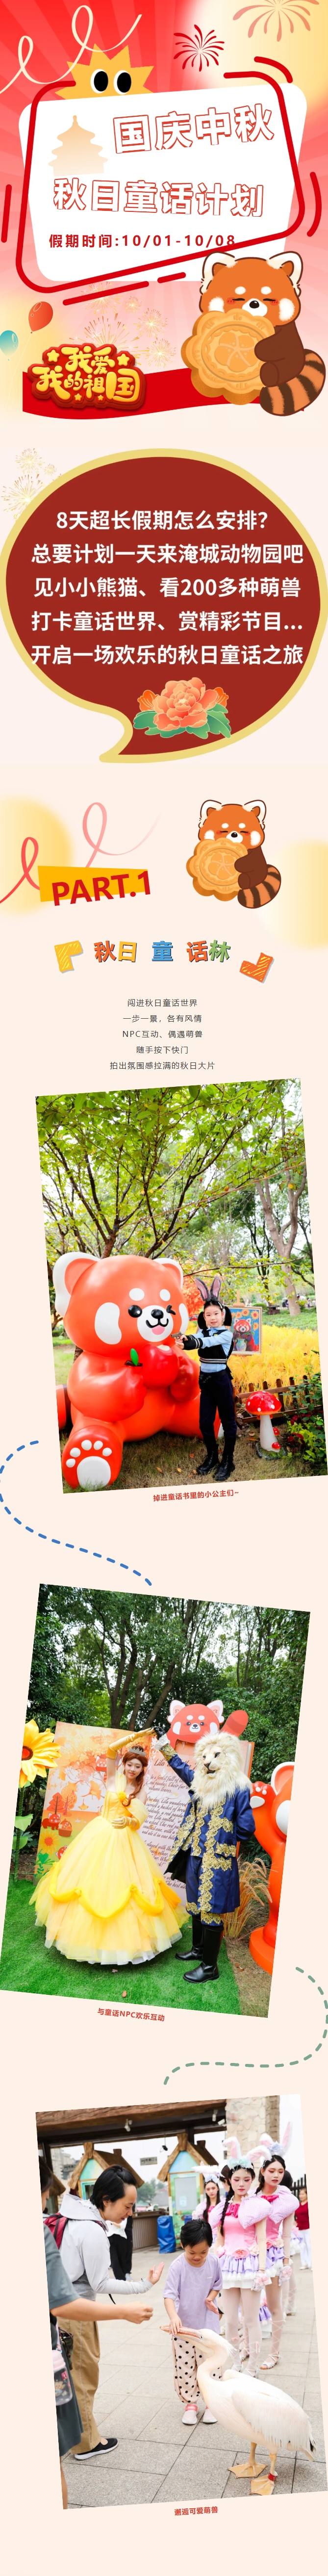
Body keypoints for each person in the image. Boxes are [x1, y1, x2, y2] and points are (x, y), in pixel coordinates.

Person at [40, 2161, 152, 2495]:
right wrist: (142, 2288)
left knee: (77, 2376)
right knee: (84, 2378)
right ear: (106, 2200)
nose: (130, 2213)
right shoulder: (91, 2230)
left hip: (66, 2312)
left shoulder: (72, 2218)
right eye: (127, 2206)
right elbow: (101, 2283)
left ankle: (82, 2436)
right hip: (76, 2312)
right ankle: (86, 2443)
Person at [31, 1740, 186, 1966]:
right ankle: (74, 1934)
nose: (133, 1769)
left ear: (142, 1770)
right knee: (87, 1879)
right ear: (125, 1765)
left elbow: (138, 1821)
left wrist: (128, 1821)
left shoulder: (142, 1792)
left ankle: (128, 1942)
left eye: (137, 1766)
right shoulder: (114, 1780)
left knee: (123, 1884)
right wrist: (134, 1738)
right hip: (100, 1833)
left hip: (124, 1839)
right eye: (130, 1764)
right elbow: (111, 1751)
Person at [163, 1728, 254, 1984]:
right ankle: (198, 1950)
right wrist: (165, 1748)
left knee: (212, 1909)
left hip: (217, 1859)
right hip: (195, 1853)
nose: (208, 1762)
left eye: (215, 1756)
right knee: (195, 1904)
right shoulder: (201, 1783)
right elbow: (183, 1770)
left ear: (229, 1758)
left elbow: (247, 1829)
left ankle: (210, 1967)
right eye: (204, 1756)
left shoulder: (238, 1788)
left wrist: (224, 1834)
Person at [164, 2217, 222, 2424]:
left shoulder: (214, 2262)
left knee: (211, 2366)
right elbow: (169, 2295)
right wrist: (174, 2317)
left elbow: (217, 2285)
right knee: (186, 2368)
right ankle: (191, 2404)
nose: (198, 2257)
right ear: (183, 2245)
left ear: (209, 2247)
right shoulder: (177, 2266)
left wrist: (210, 2298)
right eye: (192, 2253)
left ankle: (212, 2404)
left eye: (203, 2252)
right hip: (184, 2330)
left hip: (209, 2328)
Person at [183, 1276, 236, 1482]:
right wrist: (184, 1340)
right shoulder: (203, 1332)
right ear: (203, 1317)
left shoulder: (226, 1335)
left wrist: (192, 1342)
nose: (212, 1318)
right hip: (205, 1382)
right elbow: (196, 1339)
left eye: (216, 1314)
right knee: (205, 1423)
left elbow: (205, 1342)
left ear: (223, 1315)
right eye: (208, 1315)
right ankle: (213, 1456)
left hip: (222, 1382)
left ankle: (228, 1461)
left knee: (228, 1422)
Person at [218, 2162, 268, 2373]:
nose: (241, 2184)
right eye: (237, 2179)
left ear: (252, 2180)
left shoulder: (257, 2206)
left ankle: (253, 2366)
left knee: (251, 2319)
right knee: (230, 2321)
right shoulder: (223, 2207)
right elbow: (220, 2241)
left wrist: (262, 2270)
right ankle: (236, 2363)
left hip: (250, 2266)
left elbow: (262, 2239)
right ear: (229, 2180)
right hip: (228, 2268)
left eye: (246, 2180)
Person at [255, 2153, 299, 2369]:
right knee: (250, 2307)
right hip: (251, 2255)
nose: (276, 2175)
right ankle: (247, 2347)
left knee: (275, 2306)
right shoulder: (252, 2197)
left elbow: (287, 2234)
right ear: (263, 2171)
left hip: (273, 2256)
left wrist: (286, 2261)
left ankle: (274, 2353)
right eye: (271, 2171)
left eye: (280, 2172)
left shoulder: (287, 2201)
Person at [295, 2182, 312, 2269]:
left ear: (307, 2195)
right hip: (300, 2229)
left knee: (310, 2246)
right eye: (300, 2194)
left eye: (303, 2194)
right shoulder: (298, 2205)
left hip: (308, 2229)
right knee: (303, 2247)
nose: (301, 2196)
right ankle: (304, 2263)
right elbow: (295, 2217)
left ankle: (312, 2264)